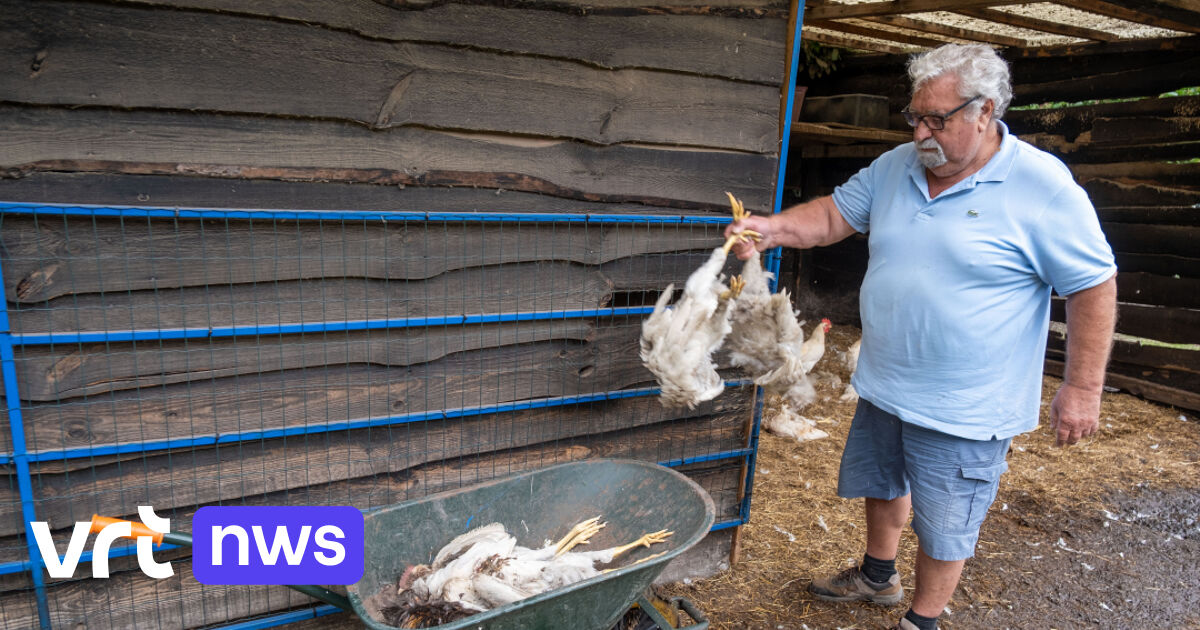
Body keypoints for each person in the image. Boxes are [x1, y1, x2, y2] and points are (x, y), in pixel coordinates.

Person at [726, 43, 1117, 630]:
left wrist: (1083, 389)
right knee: (881, 484)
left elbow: (1093, 285)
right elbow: (835, 215)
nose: (921, 133)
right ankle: (877, 576)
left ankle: (923, 619)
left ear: (985, 111)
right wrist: (773, 229)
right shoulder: (896, 167)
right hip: (885, 380)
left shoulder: (1042, 186)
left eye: (938, 119)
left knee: (946, 519)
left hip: (965, 403)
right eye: (915, 117)